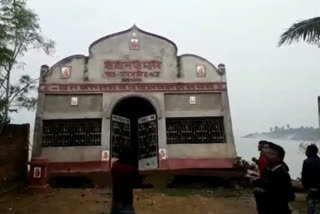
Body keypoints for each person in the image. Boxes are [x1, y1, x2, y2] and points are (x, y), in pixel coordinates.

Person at [253, 143, 295, 214]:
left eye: (271, 154)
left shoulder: (281, 173)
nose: (267, 156)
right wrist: (256, 182)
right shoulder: (267, 169)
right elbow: (265, 182)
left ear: (279, 158)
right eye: (267, 153)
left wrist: (263, 192)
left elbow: (288, 195)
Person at [110, 146, 141, 214]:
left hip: (116, 201)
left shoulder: (114, 166)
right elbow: (137, 183)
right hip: (126, 203)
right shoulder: (132, 170)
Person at [302, 144, 320, 214]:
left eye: (306, 151)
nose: (305, 152)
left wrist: (306, 187)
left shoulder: (307, 162)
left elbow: (304, 177)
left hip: (311, 188)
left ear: (309, 152)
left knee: (311, 207)